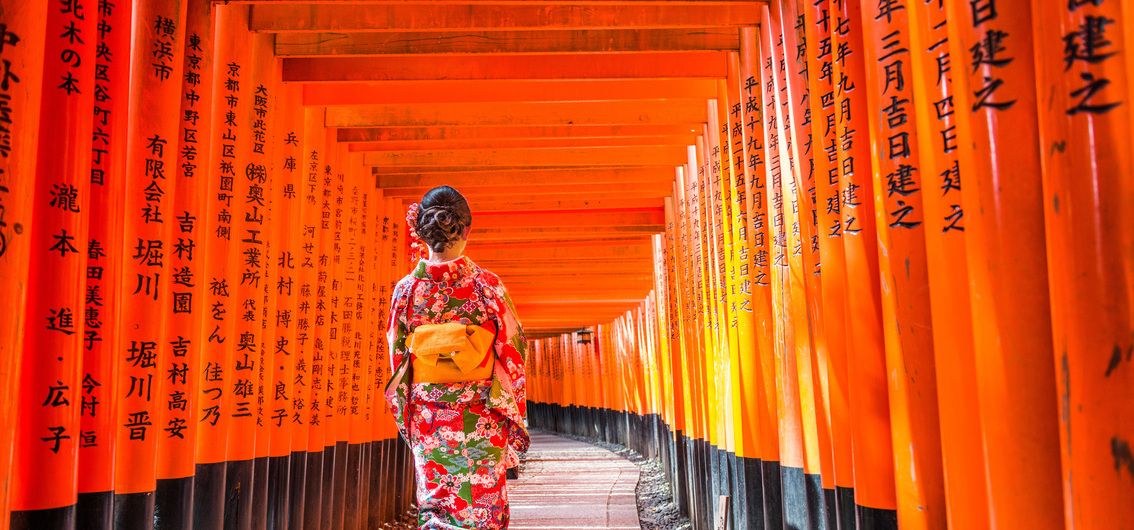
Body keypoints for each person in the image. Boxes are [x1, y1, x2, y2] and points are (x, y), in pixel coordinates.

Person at [384, 186, 529, 529]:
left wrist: (408, 415)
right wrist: (512, 413)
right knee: (482, 502)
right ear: (466, 229)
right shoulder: (487, 285)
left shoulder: (406, 290)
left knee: (437, 501)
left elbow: (397, 356)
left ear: (421, 231)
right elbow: (513, 351)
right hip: (481, 413)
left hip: (430, 414)